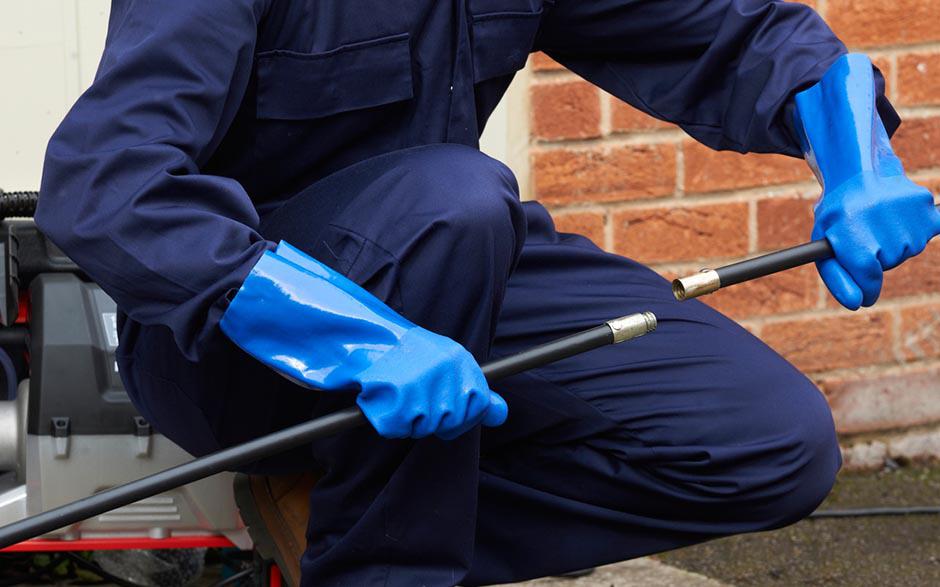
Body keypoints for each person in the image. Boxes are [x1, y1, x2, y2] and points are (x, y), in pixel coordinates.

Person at [36, 1, 940, 585]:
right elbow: (106, 185)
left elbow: (735, 35)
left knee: (772, 443)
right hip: (232, 342)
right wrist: (354, 337)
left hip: (454, 271)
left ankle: (328, 510)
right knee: (456, 199)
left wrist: (853, 149)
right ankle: (384, 568)